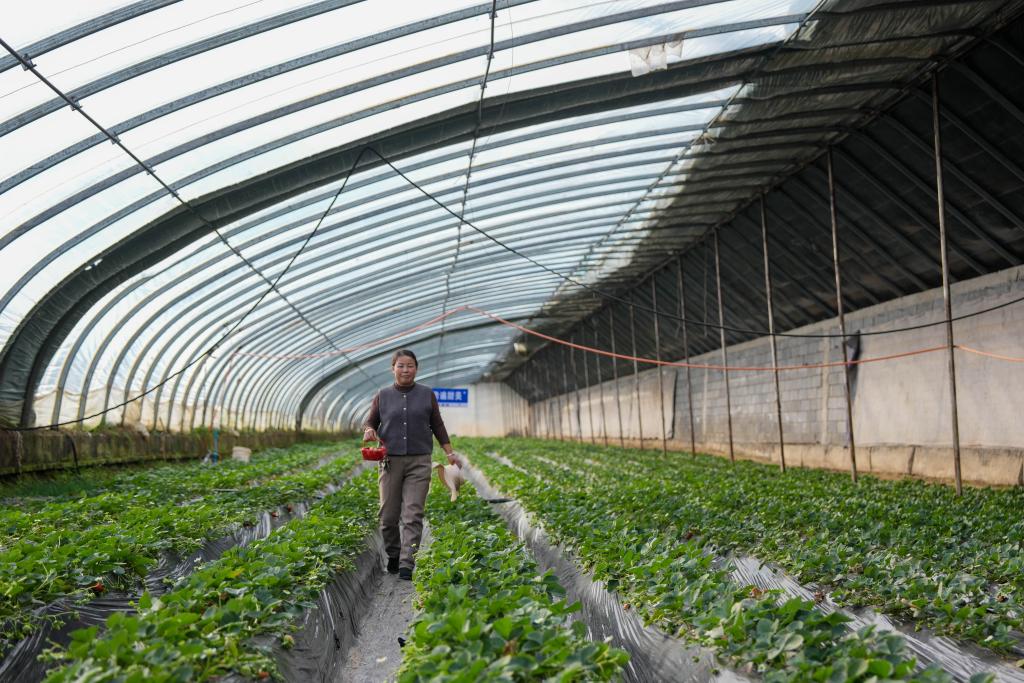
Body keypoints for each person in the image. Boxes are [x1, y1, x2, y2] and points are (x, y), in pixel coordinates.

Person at [363, 349, 457, 580]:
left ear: (416, 368)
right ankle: (394, 554)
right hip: (390, 461)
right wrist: (369, 430)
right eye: (401, 366)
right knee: (388, 516)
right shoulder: (383, 395)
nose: (405, 370)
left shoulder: (426, 394)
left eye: (410, 366)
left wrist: (449, 452)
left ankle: (407, 563)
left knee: (413, 513)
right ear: (393, 369)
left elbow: (437, 425)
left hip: (419, 460)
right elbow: (370, 421)